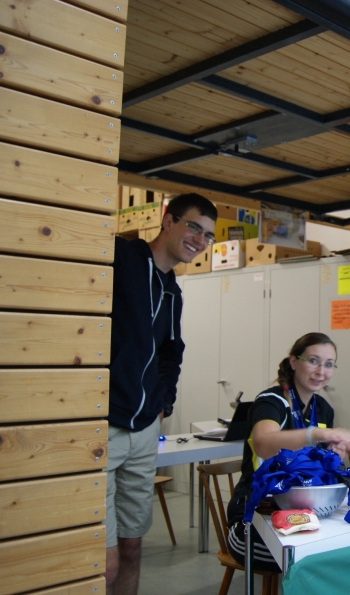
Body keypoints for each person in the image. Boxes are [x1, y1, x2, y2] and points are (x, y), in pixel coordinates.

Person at [104, 193, 217, 595]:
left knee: (132, 547)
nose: (200, 240)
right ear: (168, 221)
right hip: (103, 427)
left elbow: (171, 353)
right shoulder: (122, 258)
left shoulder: (173, 292)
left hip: (144, 431)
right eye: (194, 227)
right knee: (103, 559)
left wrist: (163, 402)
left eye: (208, 235)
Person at [224, 332, 350, 571]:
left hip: (305, 513)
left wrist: (335, 455)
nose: (321, 371)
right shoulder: (271, 402)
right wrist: (314, 434)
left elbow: (318, 467)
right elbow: (263, 443)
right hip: (255, 518)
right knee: (314, 562)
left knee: (346, 550)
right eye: (313, 361)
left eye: (329, 364)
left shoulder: (323, 408)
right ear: (294, 362)